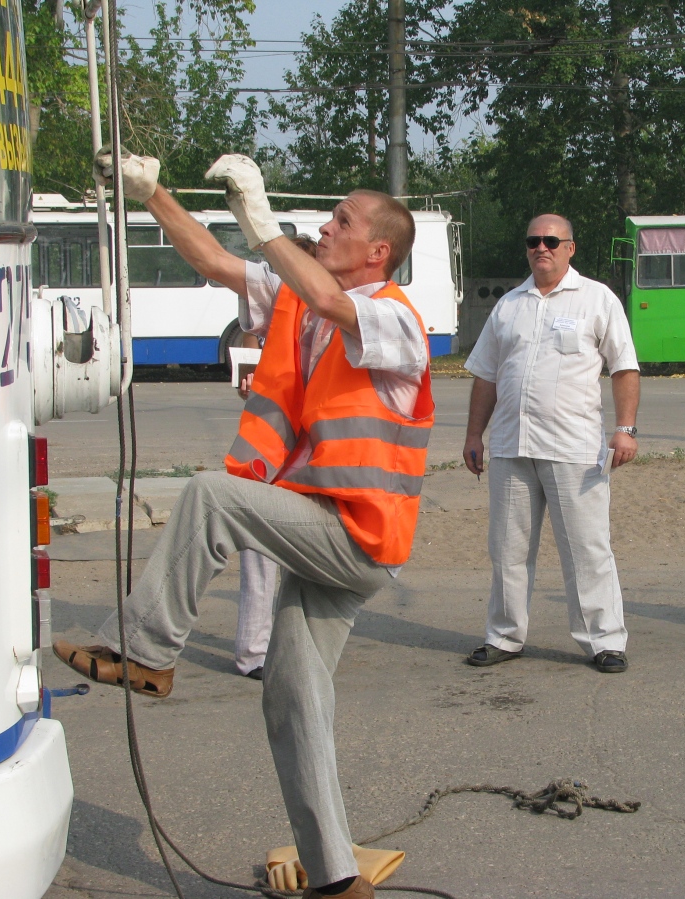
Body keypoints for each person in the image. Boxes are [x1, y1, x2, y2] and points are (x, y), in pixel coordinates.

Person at [54, 150, 433, 899]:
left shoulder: (393, 318)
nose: (327, 227)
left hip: (358, 536)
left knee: (212, 494)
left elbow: (328, 299)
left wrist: (262, 217)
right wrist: (153, 194)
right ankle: (336, 880)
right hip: (318, 526)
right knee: (292, 695)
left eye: (342, 222)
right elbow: (220, 263)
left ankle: (148, 649)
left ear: (378, 250)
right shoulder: (300, 299)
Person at [462, 214, 640, 673]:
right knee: (506, 549)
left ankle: (604, 640)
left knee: (587, 547)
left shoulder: (597, 299)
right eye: (533, 241)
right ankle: (503, 636)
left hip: (573, 449)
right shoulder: (509, 305)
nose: (541, 247)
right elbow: (485, 374)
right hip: (510, 446)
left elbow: (624, 368)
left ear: (570, 248)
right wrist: (472, 435)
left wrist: (626, 428)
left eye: (551, 241)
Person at [234, 234, 319, 681]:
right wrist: (248, 369)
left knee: (308, 553)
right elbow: (250, 337)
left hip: (316, 447)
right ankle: (253, 652)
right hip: (271, 443)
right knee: (260, 551)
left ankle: (296, 647)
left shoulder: (332, 303)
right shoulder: (278, 300)